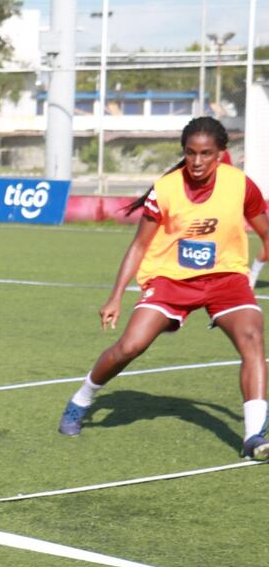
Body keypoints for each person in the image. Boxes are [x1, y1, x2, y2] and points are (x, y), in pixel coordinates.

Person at [57, 117, 269, 460]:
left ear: (221, 155)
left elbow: (265, 229)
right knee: (130, 346)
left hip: (226, 278)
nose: (197, 162)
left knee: (253, 339)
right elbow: (140, 246)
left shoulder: (241, 185)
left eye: (206, 154)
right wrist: (115, 296)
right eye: (190, 153)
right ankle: (82, 398)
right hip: (169, 279)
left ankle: (253, 437)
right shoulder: (166, 188)